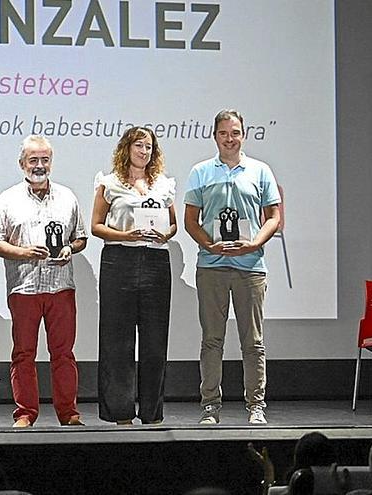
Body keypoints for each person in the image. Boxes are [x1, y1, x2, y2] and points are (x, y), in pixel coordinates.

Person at [184, 109, 281, 425]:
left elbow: (274, 217)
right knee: (212, 339)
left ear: (244, 134)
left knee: (252, 341)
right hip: (212, 265)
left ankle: (256, 405)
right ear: (215, 136)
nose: (230, 138)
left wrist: (255, 244)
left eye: (235, 132)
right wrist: (207, 244)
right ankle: (210, 406)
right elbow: (190, 220)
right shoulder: (200, 172)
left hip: (250, 267)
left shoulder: (260, 171)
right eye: (224, 133)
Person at [0, 135, 87, 427]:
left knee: (64, 353)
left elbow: (80, 237)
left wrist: (71, 248)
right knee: (23, 353)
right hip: (24, 287)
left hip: (60, 287)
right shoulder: (7, 199)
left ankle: (68, 413)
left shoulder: (67, 197)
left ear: (51, 162)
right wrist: (22, 252)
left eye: (44, 160)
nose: (39, 165)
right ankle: (25, 413)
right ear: (22, 164)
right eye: (33, 160)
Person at [91, 126, 176, 425]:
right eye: (139, 145)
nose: (144, 151)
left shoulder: (163, 185)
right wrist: (125, 235)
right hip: (119, 260)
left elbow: (173, 225)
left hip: (155, 261)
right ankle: (121, 412)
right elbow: (96, 226)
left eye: (149, 147)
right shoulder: (109, 182)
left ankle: (152, 413)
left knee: (155, 341)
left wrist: (165, 234)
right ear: (126, 148)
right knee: (118, 341)